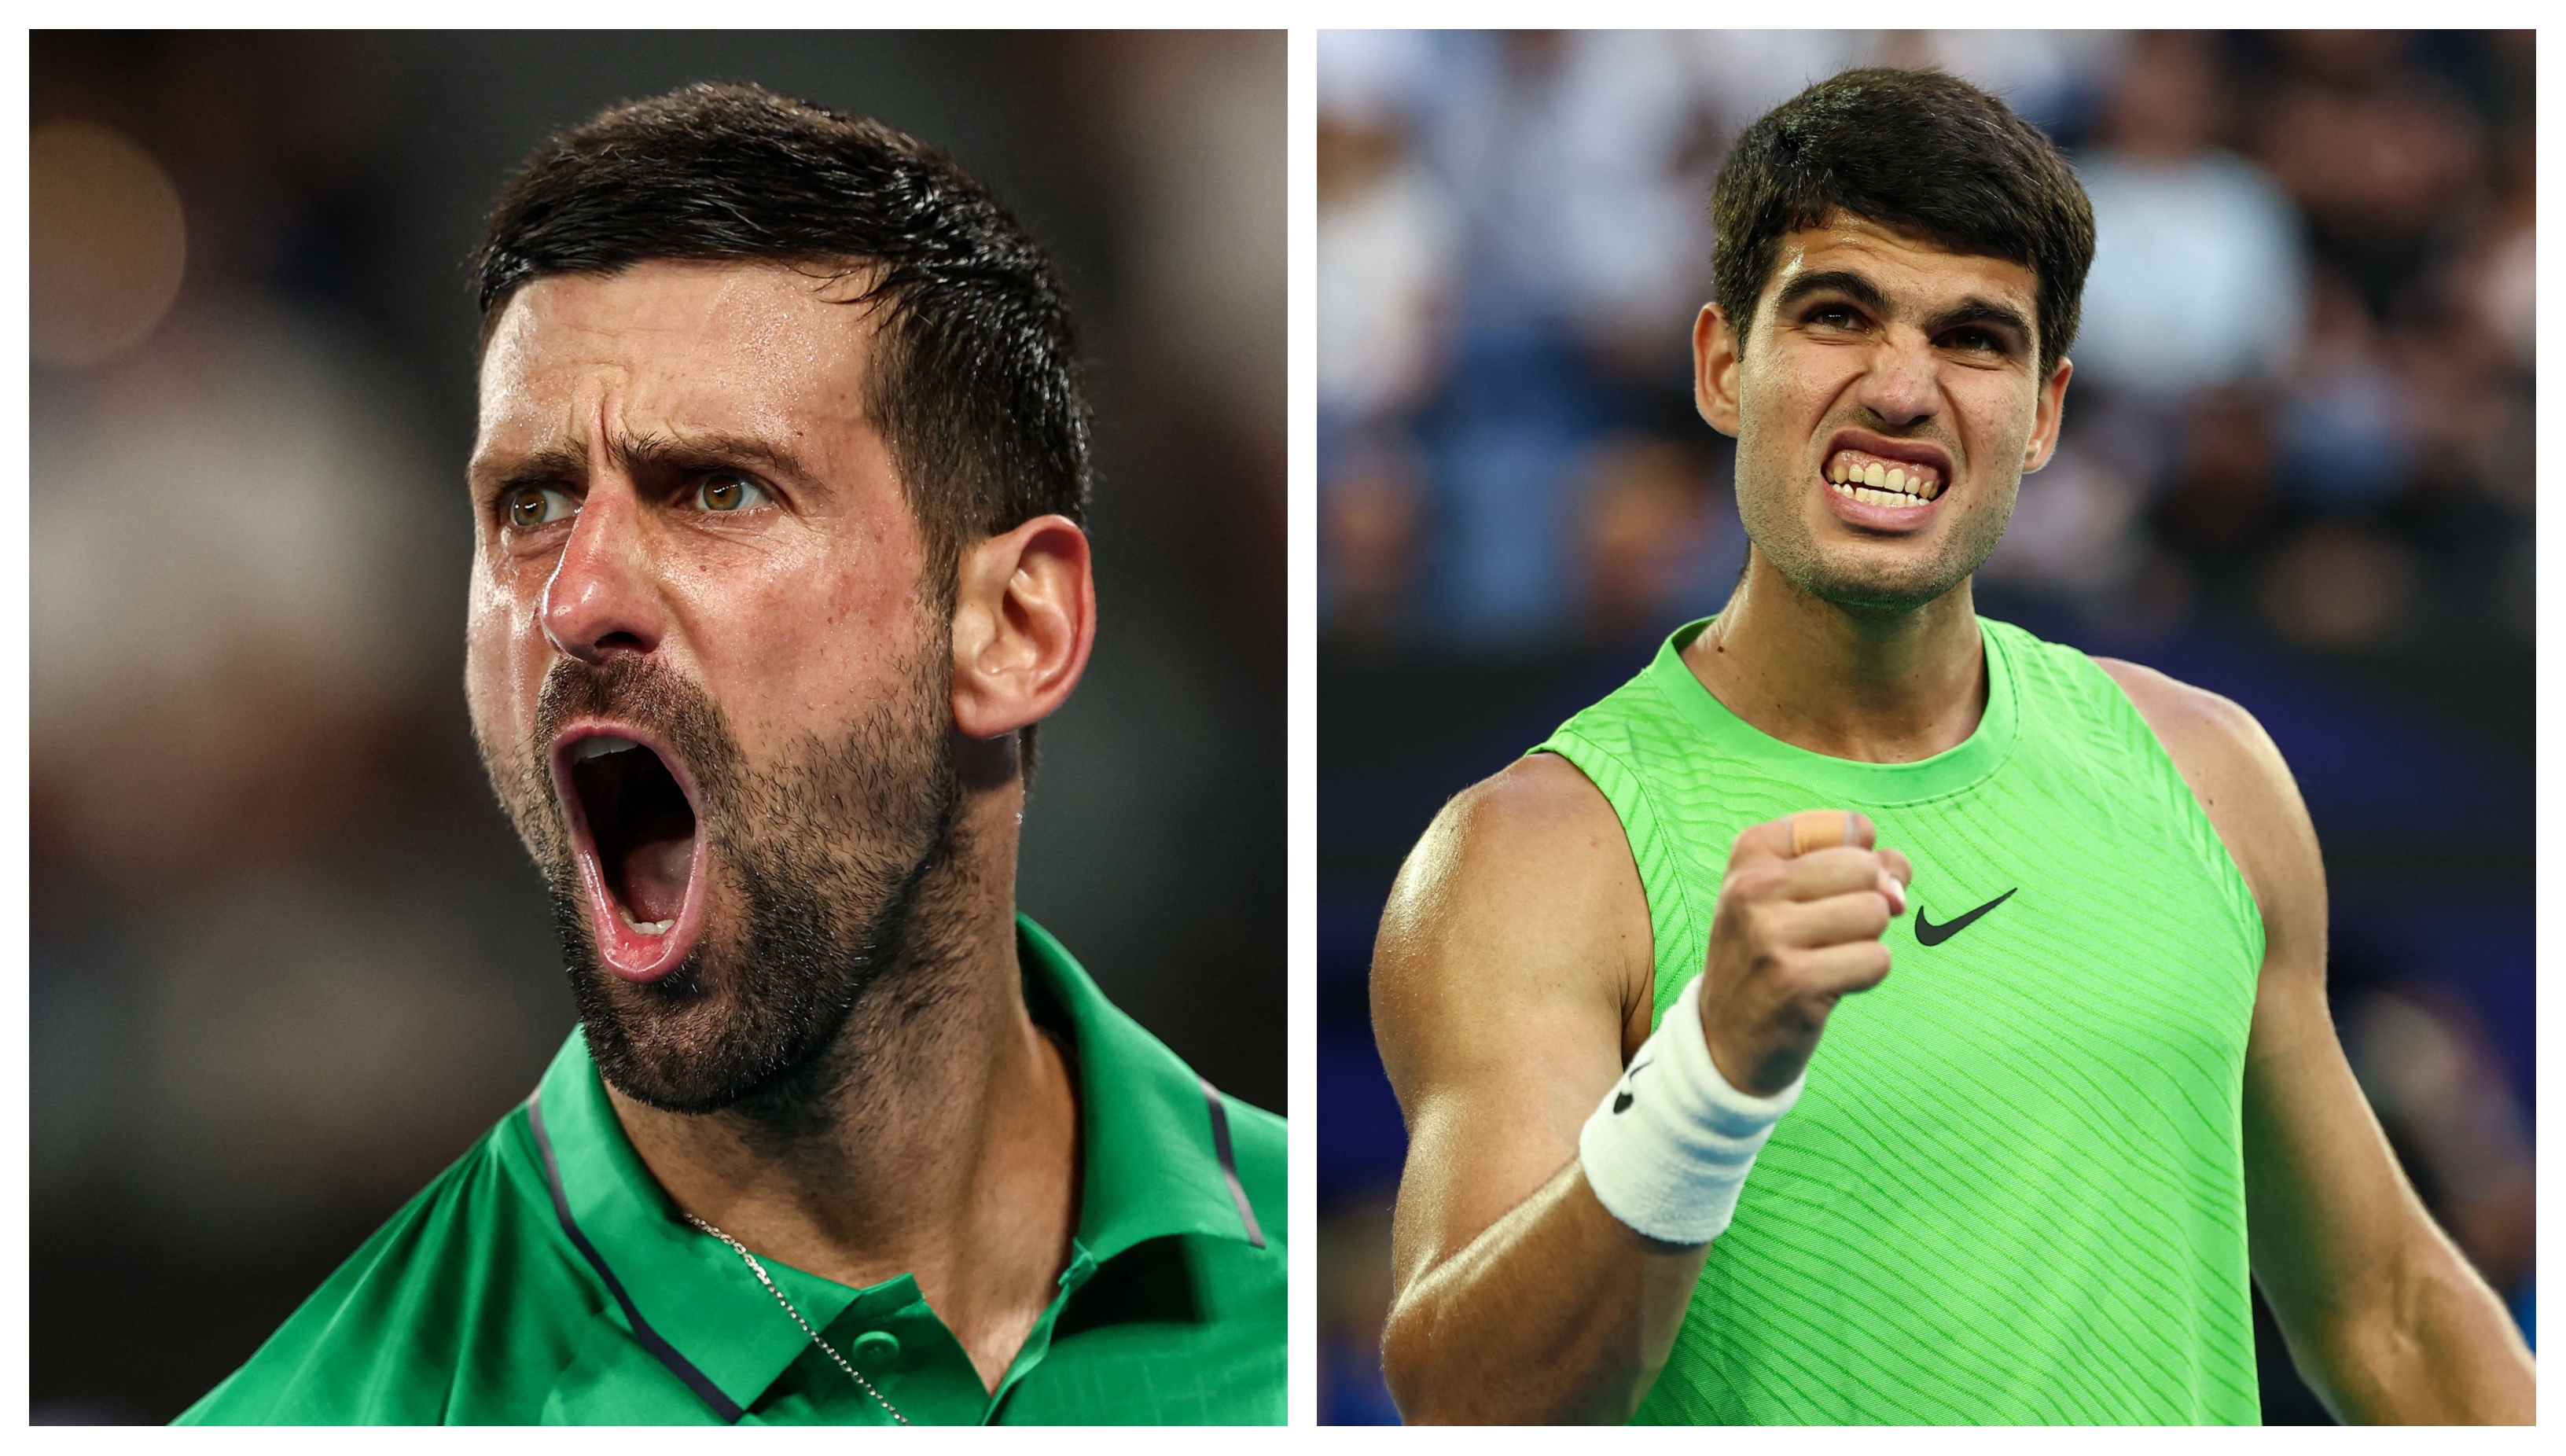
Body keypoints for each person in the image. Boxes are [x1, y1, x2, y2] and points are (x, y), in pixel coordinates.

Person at [1370, 68, 2532, 1425]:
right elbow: (1466, 1410)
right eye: (1838, 313)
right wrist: (1704, 1081)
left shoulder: (2209, 770)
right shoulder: (1530, 855)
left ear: (2042, 416)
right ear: (1721, 364)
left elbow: (2386, 1310)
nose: (1903, 388)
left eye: (1977, 338)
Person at [178, 83, 1284, 1426]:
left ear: (1011, 628)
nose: (574, 599)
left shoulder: (1395, 1312)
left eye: (717, 488)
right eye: (528, 505)